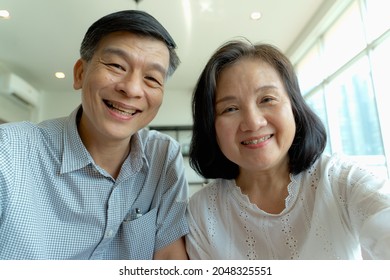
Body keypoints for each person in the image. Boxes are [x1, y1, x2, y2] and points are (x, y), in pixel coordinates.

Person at [0, 10, 189, 260]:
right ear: (80, 73)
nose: (132, 89)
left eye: (152, 78)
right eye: (116, 66)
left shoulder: (163, 156)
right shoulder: (10, 151)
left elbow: (170, 261)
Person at [185, 39, 390, 259]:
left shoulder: (342, 180)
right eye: (230, 108)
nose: (253, 123)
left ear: (294, 107)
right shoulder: (201, 212)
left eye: (267, 99)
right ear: (210, 126)